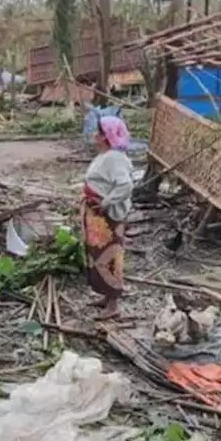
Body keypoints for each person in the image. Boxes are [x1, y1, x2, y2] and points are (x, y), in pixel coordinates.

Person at [81, 115, 134, 320]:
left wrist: (105, 202)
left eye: (99, 133)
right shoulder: (105, 156)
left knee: (109, 255)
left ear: (107, 137)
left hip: (106, 216)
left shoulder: (114, 158)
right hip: (97, 216)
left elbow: (125, 185)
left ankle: (113, 303)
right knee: (96, 254)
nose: (95, 135)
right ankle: (105, 295)